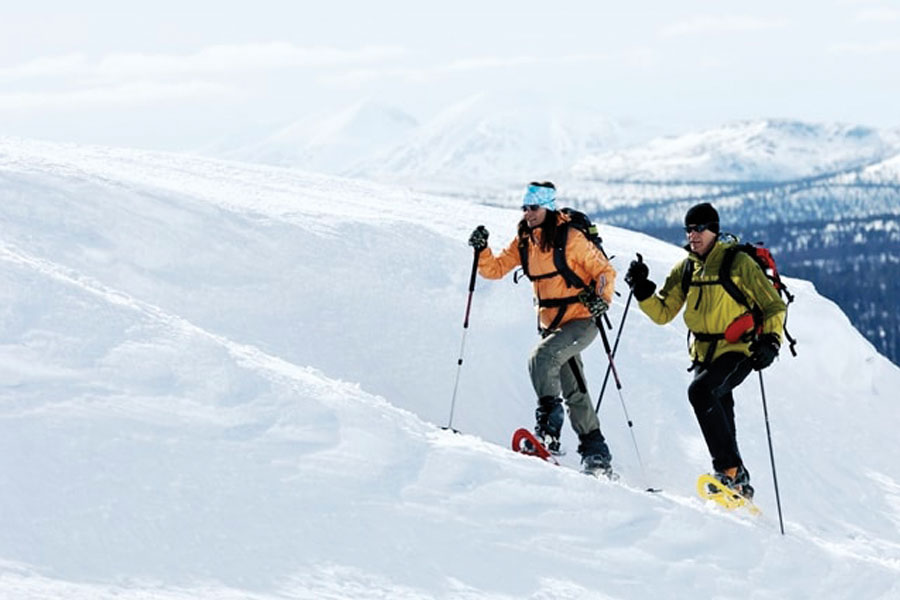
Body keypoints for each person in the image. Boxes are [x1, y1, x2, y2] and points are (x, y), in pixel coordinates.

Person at [624, 202, 785, 498]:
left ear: (714, 230)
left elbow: (773, 304)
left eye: (699, 229)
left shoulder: (738, 264)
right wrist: (642, 288)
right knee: (720, 407)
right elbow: (663, 313)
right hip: (702, 353)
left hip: (739, 348)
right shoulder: (686, 268)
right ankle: (738, 478)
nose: (692, 235)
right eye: (688, 229)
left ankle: (728, 472)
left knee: (701, 393)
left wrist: (771, 341)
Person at [468, 181, 617, 475]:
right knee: (575, 388)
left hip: (581, 319)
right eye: (524, 208)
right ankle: (596, 452)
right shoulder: (525, 241)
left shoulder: (571, 238)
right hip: (552, 325)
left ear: (547, 207)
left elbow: (604, 271)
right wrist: (481, 249)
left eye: (533, 207)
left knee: (542, 358)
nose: (528, 213)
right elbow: (495, 269)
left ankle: (548, 432)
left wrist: (602, 299)